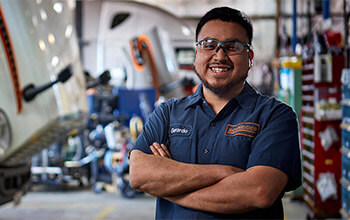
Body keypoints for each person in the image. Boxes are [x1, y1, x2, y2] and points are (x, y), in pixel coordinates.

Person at [129, 6, 301, 219]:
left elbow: (258, 192)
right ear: (196, 55)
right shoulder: (167, 113)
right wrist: (224, 172)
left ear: (250, 57)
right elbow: (138, 174)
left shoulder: (276, 116)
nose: (219, 56)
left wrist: (169, 188)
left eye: (232, 47)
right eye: (209, 45)